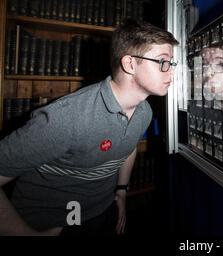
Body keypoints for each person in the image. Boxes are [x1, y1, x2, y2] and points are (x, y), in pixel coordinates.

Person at [0, 19, 178, 236]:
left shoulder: (144, 111)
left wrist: (121, 192)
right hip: (53, 222)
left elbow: (128, 145)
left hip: (102, 211)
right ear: (130, 64)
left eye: (171, 63)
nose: (170, 71)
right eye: (162, 61)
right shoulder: (66, 118)